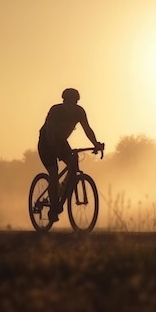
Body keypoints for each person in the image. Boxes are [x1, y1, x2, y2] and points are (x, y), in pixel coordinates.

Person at [38, 88, 104, 223]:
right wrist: (53, 146)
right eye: (69, 102)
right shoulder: (56, 110)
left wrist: (96, 143)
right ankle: (53, 208)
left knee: (74, 165)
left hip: (61, 142)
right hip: (46, 143)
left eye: (74, 102)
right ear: (64, 101)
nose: (71, 105)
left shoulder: (79, 112)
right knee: (54, 173)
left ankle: (63, 190)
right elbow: (49, 129)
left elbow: (87, 129)